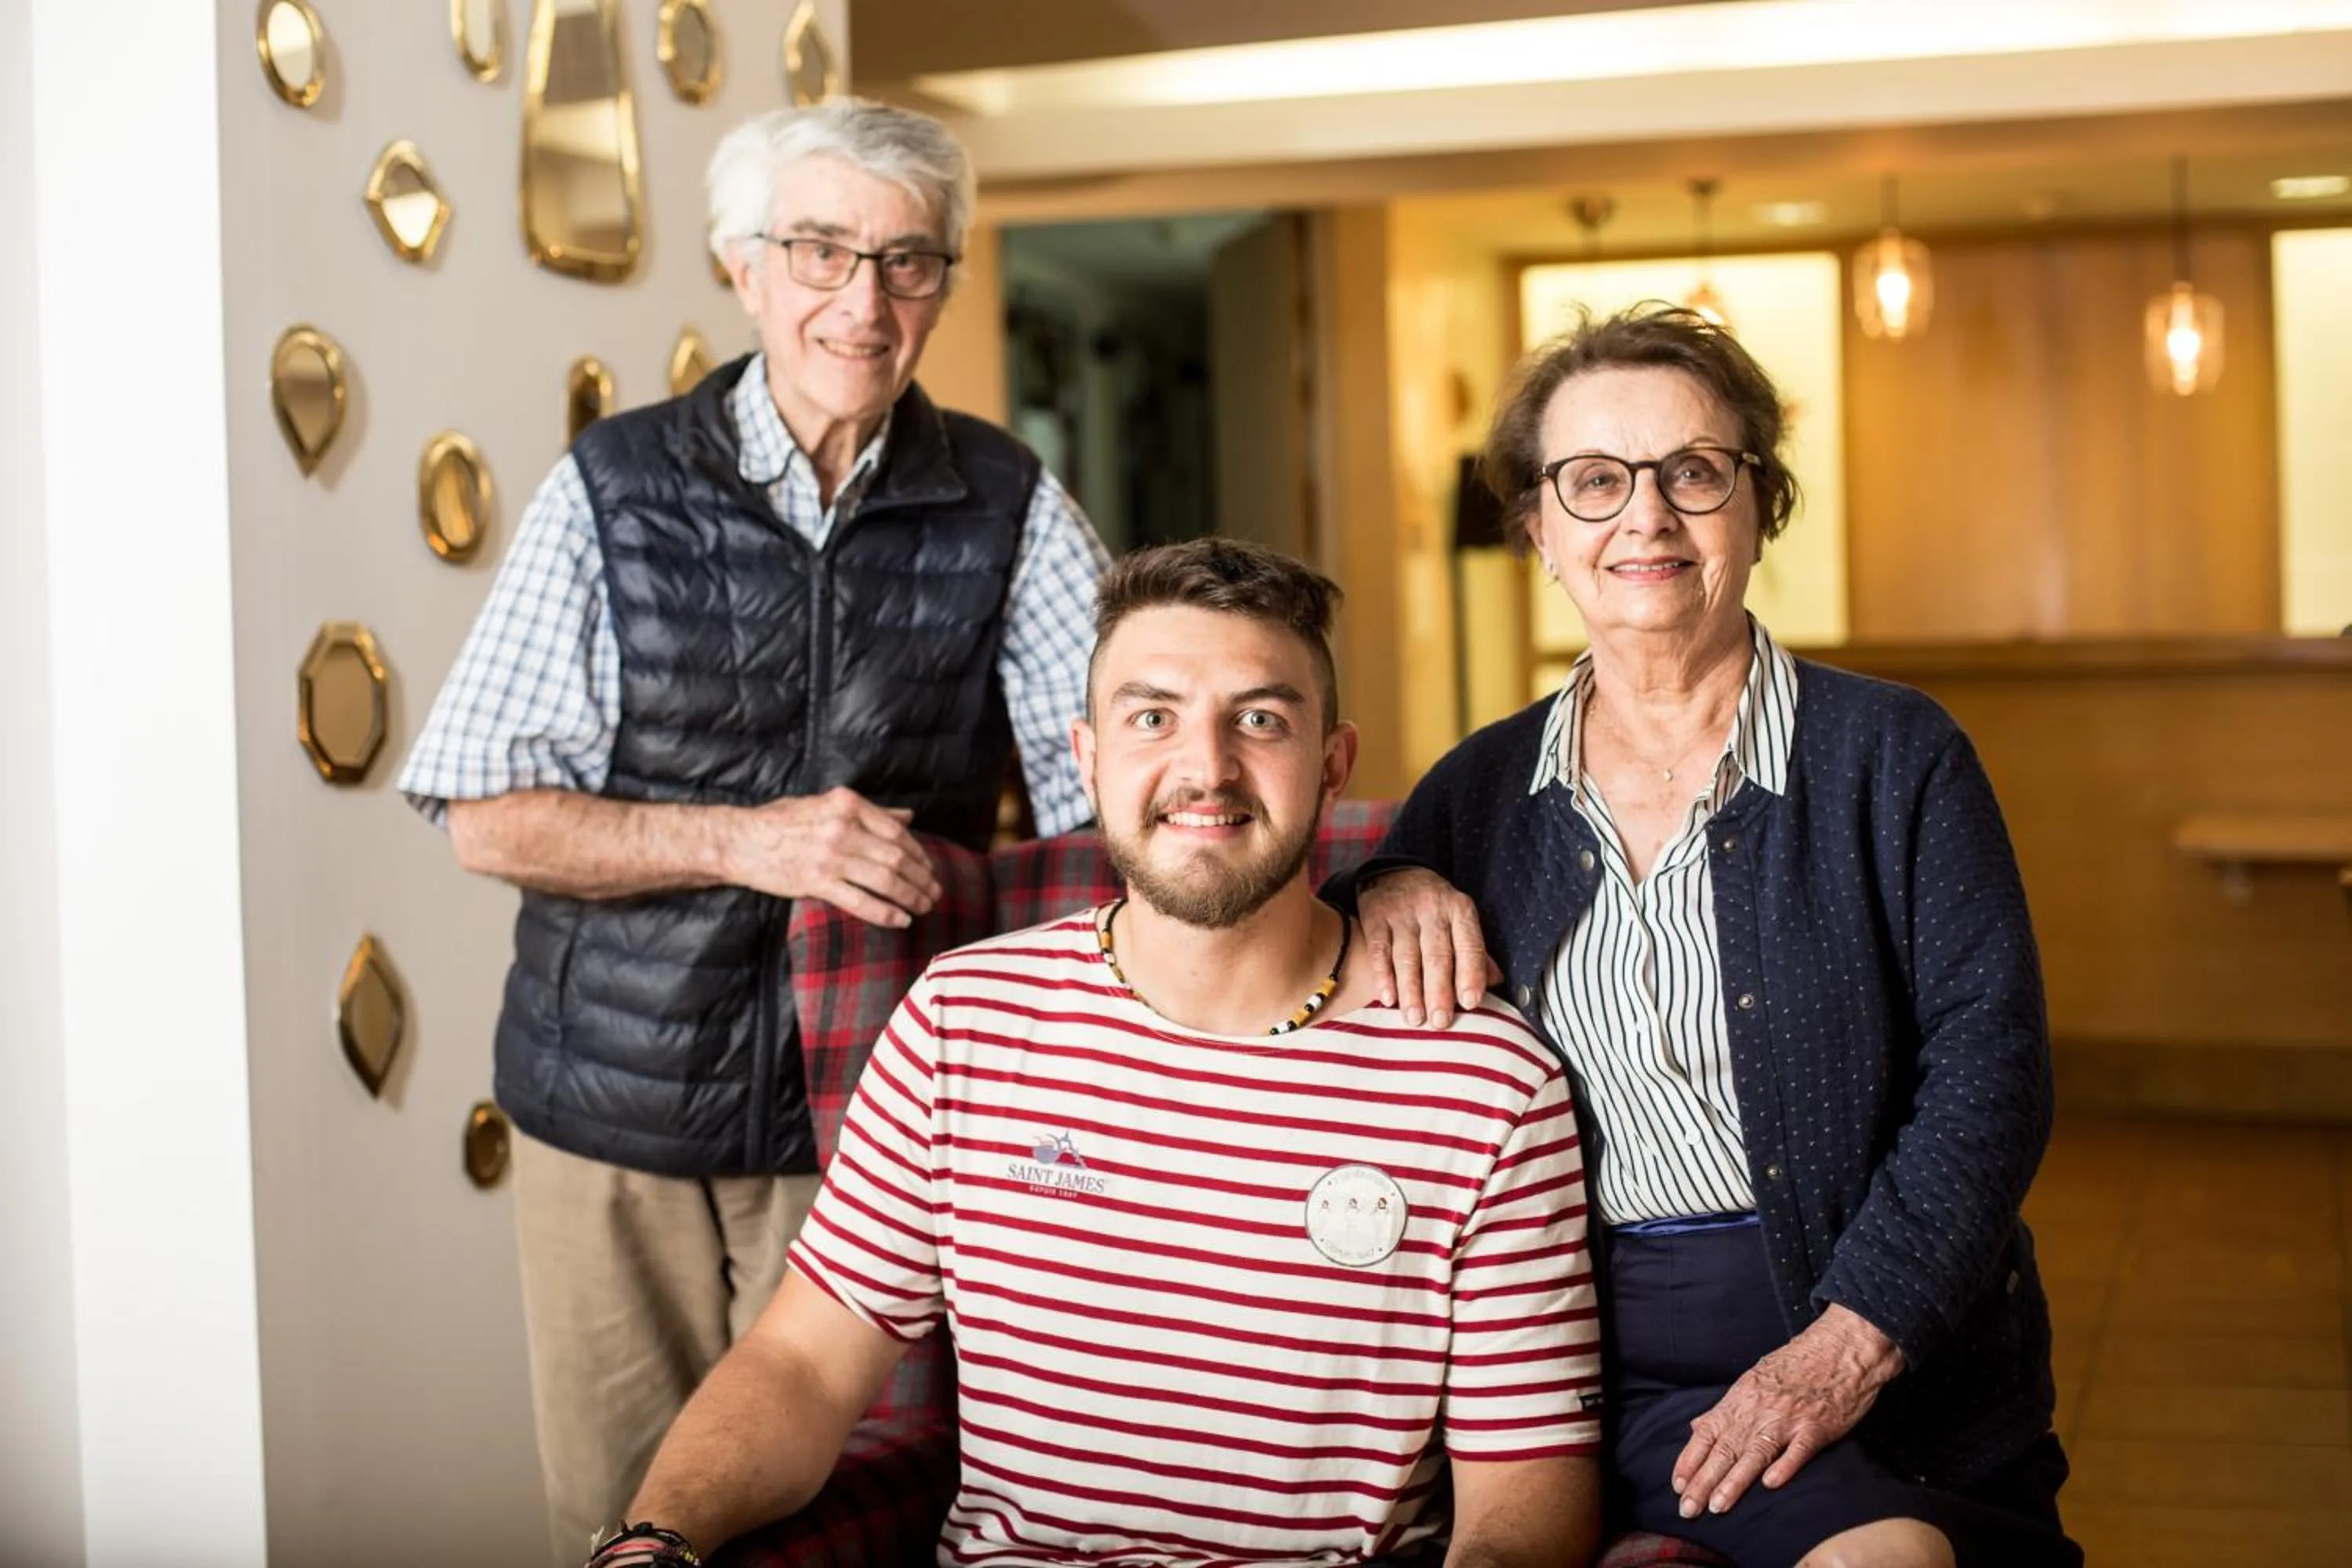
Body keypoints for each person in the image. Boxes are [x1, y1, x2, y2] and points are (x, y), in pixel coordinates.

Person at [581, 539, 1605, 1568]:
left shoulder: (1484, 1084)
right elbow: (803, 1364)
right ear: (1088, 758)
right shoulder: (958, 1024)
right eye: (1152, 717)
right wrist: (655, 1539)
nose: (1206, 768)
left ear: (1332, 764)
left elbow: (1526, 1498)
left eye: (1260, 719)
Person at [396, 98, 1110, 1565]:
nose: (864, 300)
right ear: (742, 265)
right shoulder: (616, 484)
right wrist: (753, 842)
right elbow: (484, 815)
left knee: (852, 1517)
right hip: (609, 1113)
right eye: (821, 250)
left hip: (877, 1115)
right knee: (625, 1526)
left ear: (946, 285)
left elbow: (1118, 793)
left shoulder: (1012, 502)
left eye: (909, 262)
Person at [1338, 305, 2078, 1568]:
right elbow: (1343, 1022)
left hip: (1883, 1361)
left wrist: (1847, 1347)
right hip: (1575, 1380)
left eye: (1695, 470)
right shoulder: (1473, 794)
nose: (1647, 516)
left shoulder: (1893, 756)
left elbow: (1992, 1073)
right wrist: (1386, 880)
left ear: (1758, 502)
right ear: (1538, 530)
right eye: (1593, 481)